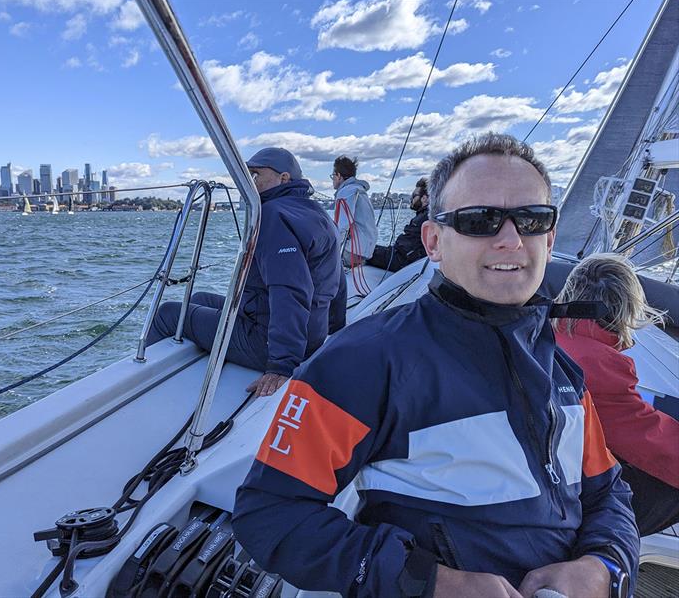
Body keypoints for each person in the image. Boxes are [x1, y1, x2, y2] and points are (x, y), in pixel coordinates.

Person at [232, 133, 638, 598]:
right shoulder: (360, 362)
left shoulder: (562, 372)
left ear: (549, 237)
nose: (510, 240)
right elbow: (269, 513)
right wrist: (431, 582)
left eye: (530, 219)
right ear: (433, 241)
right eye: (480, 220)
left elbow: (608, 493)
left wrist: (605, 565)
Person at [146, 147, 343, 397]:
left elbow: (290, 290)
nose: (249, 183)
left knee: (168, 313)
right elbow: (337, 280)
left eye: (256, 175)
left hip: (269, 342)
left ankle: (146, 389)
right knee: (198, 300)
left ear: (283, 178)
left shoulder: (273, 214)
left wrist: (281, 364)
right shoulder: (315, 212)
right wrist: (334, 333)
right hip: (309, 332)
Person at [554, 253, 679, 537]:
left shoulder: (543, 337)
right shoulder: (600, 364)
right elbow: (647, 439)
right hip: (567, 510)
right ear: (624, 310)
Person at [366, 178, 429, 272]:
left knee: (365, 251)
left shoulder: (424, 219)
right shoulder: (425, 216)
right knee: (370, 249)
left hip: (402, 261)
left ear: (424, 198)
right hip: (402, 256)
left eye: (414, 195)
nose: (411, 199)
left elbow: (409, 250)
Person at [332, 156, 377, 268]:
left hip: (350, 252)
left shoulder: (346, 192)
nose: (332, 179)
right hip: (365, 250)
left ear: (338, 176)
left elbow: (342, 226)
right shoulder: (359, 190)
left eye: (333, 176)